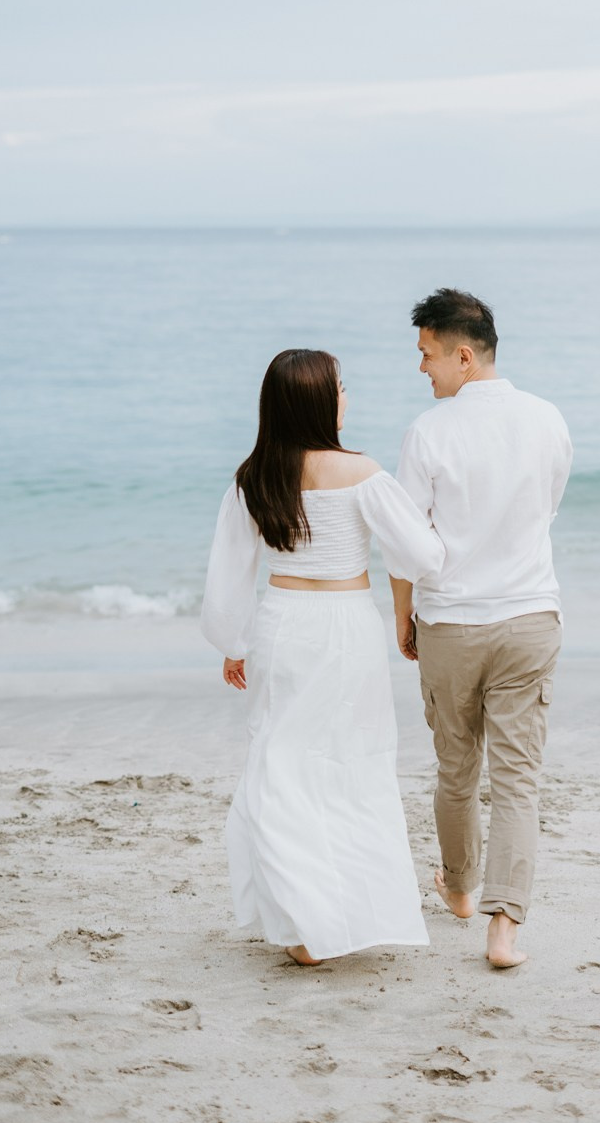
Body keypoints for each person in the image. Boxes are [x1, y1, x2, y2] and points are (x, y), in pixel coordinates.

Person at [200, 348, 445, 966]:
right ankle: (343, 917)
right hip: (346, 628)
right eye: (341, 387)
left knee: (282, 764)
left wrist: (234, 643)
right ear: (318, 400)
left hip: (282, 625)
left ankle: (302, 926)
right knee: (352, 762)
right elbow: (422, 556)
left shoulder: (253, 477)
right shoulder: (361, 472)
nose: (346, 396)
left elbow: (229, 575)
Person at [390, 289, 573, 969]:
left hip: (453, 625)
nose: (422, 370)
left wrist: (403, 617)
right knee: (519, 779)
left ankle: (461, 890)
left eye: (427, 355)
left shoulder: (429, 433)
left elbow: (407, 543)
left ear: (463, 356)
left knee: (456, 769)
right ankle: (504, 932)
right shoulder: (548, 419)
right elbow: (545, 509)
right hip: (529, 619)